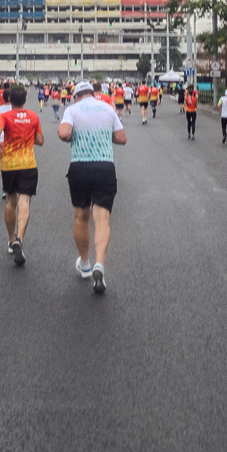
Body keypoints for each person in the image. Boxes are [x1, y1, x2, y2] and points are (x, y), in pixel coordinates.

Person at [58, 80, 126, 294]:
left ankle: (85, 264)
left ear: (77, 96)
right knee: (102, 219)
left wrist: (73, 136)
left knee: (81, 217)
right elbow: (122, 138)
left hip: (79, 166)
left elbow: (63, 133)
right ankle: (100, 264)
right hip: (105, 166)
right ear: (93, 93)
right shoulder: (108, 108)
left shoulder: (72, 109)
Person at [0, 85, 44, 265]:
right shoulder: (33, 116)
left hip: (8, 165)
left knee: (10, 202)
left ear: (9, 100)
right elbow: (40, 141)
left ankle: (10, 239)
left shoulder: (4, 116)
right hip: (28, 164)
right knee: (25, 202)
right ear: (24, 100)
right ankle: (20, 239)